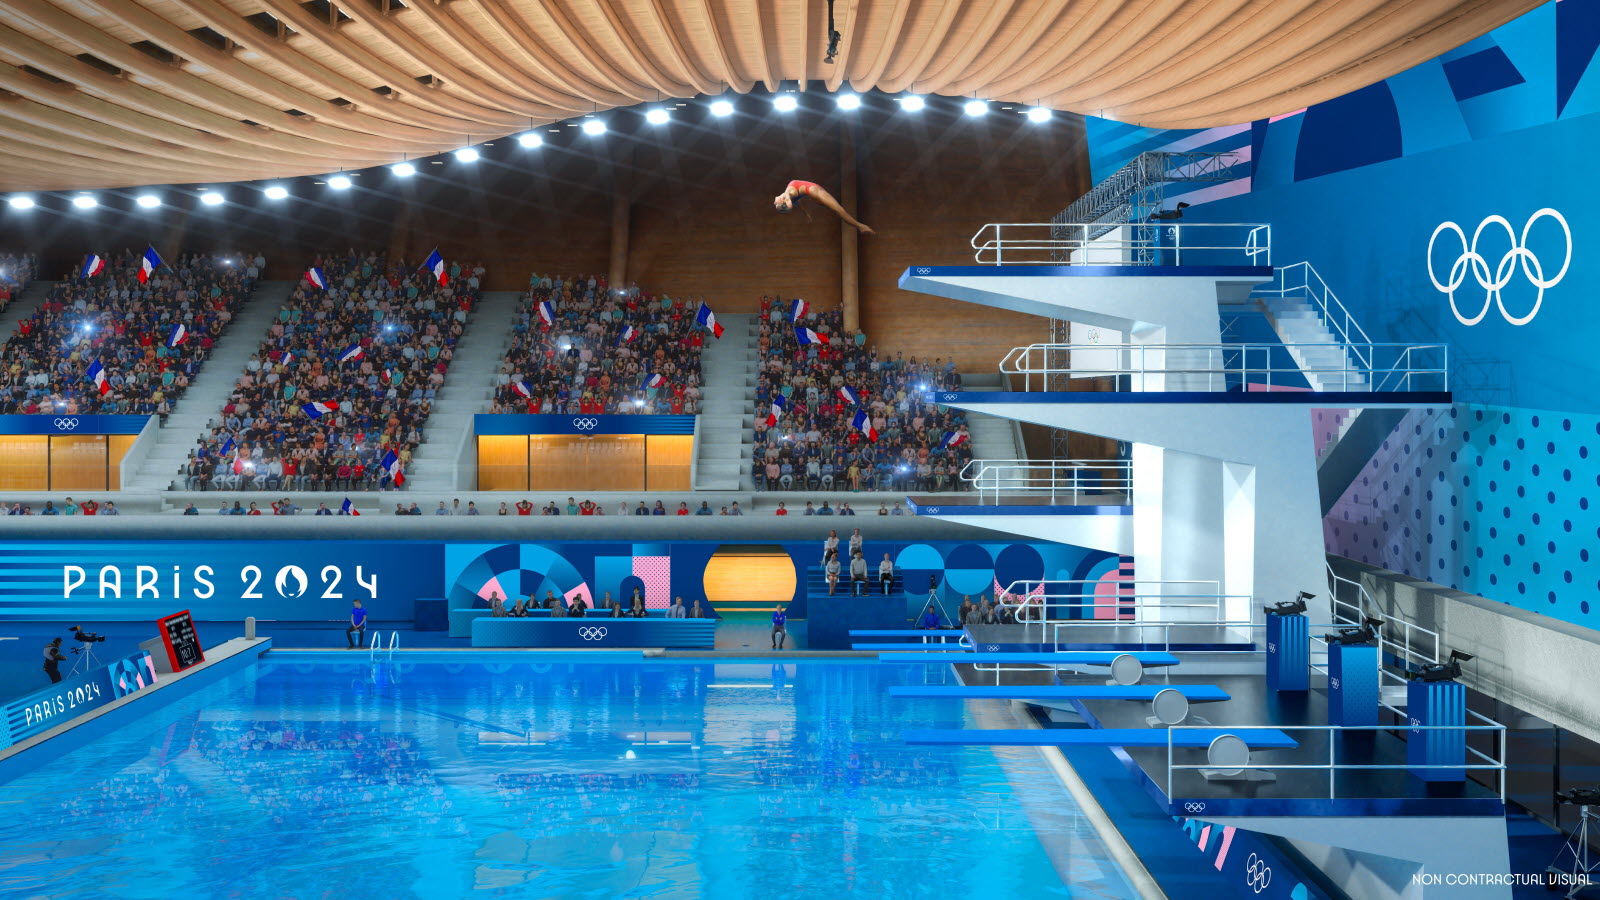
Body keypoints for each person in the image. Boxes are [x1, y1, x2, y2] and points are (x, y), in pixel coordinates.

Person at [772, 180, 875, 234]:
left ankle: (861, 226)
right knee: (834, 209)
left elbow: (789, 194)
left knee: (839, 210)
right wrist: (806, 214)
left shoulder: (788, 194)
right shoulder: (792, 200)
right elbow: (799, 205)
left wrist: (786, 196)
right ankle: (860, 226)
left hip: (813, 190)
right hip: (812, 193)